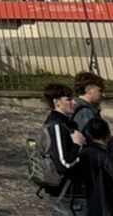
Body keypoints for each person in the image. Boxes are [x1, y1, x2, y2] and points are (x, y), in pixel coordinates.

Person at [45, 82, 89, 214]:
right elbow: (63, 163)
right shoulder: (56, 125)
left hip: (76, 192)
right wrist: (77, 144)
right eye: (68, 99)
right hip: (67, 194)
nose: (74, 102)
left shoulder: (67, 123)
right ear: (56, 102)